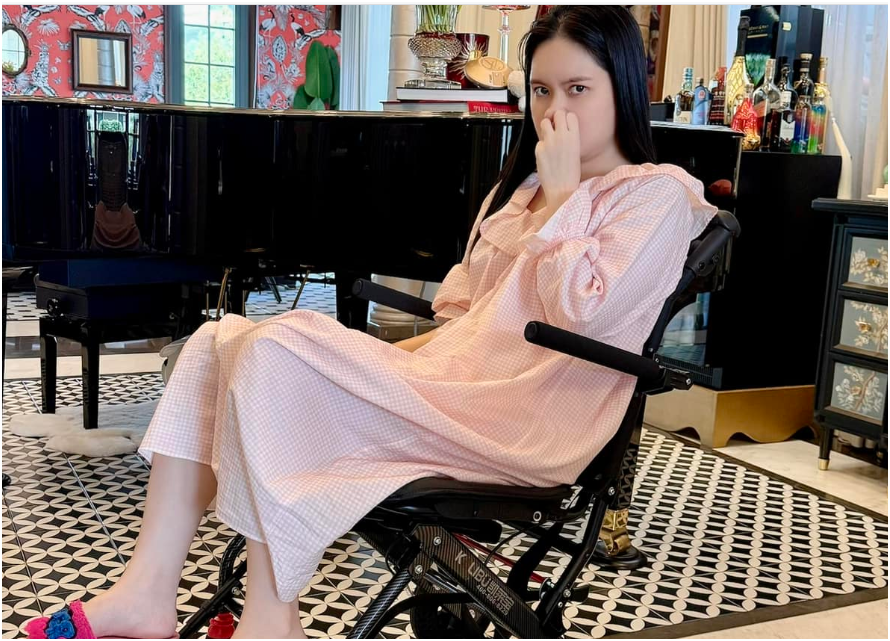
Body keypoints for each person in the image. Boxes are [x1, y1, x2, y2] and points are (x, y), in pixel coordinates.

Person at [26, 6, 716, 640]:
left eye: (577, 89)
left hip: (524, 416)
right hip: (453, 384)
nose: (554, 111)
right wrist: (375, 363)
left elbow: (583, 313)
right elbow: (463, 316)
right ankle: (147, 590)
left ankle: (271, 620)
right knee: (220, 339)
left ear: (623, 88)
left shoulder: (655, 195)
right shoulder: (522, 193)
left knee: (280, 352)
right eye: (540, 90)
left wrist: (565, 198)